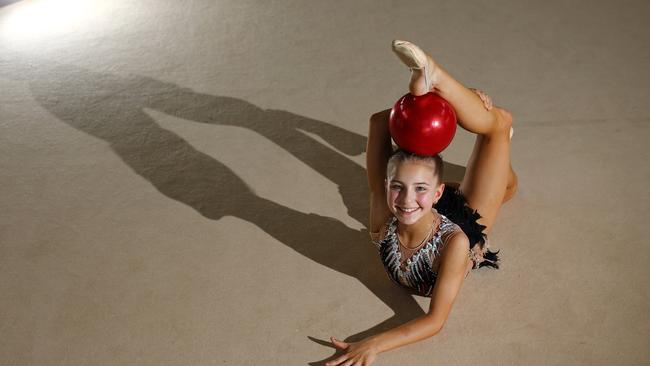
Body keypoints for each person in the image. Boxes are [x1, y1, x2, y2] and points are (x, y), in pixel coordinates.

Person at [326, 40, 518, 366]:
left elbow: (435, 321)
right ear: (386, 186)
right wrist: (450, 105)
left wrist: (373, 344)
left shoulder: (454, 242)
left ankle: (436, 77)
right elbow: (378, 121)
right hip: (448, 204)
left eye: (418, 189)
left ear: (438, 191)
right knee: (504, 168)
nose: (406, 201)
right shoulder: (384, 213)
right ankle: (487, 141)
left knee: (500, 125)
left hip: (462, 214)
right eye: (397, 187)